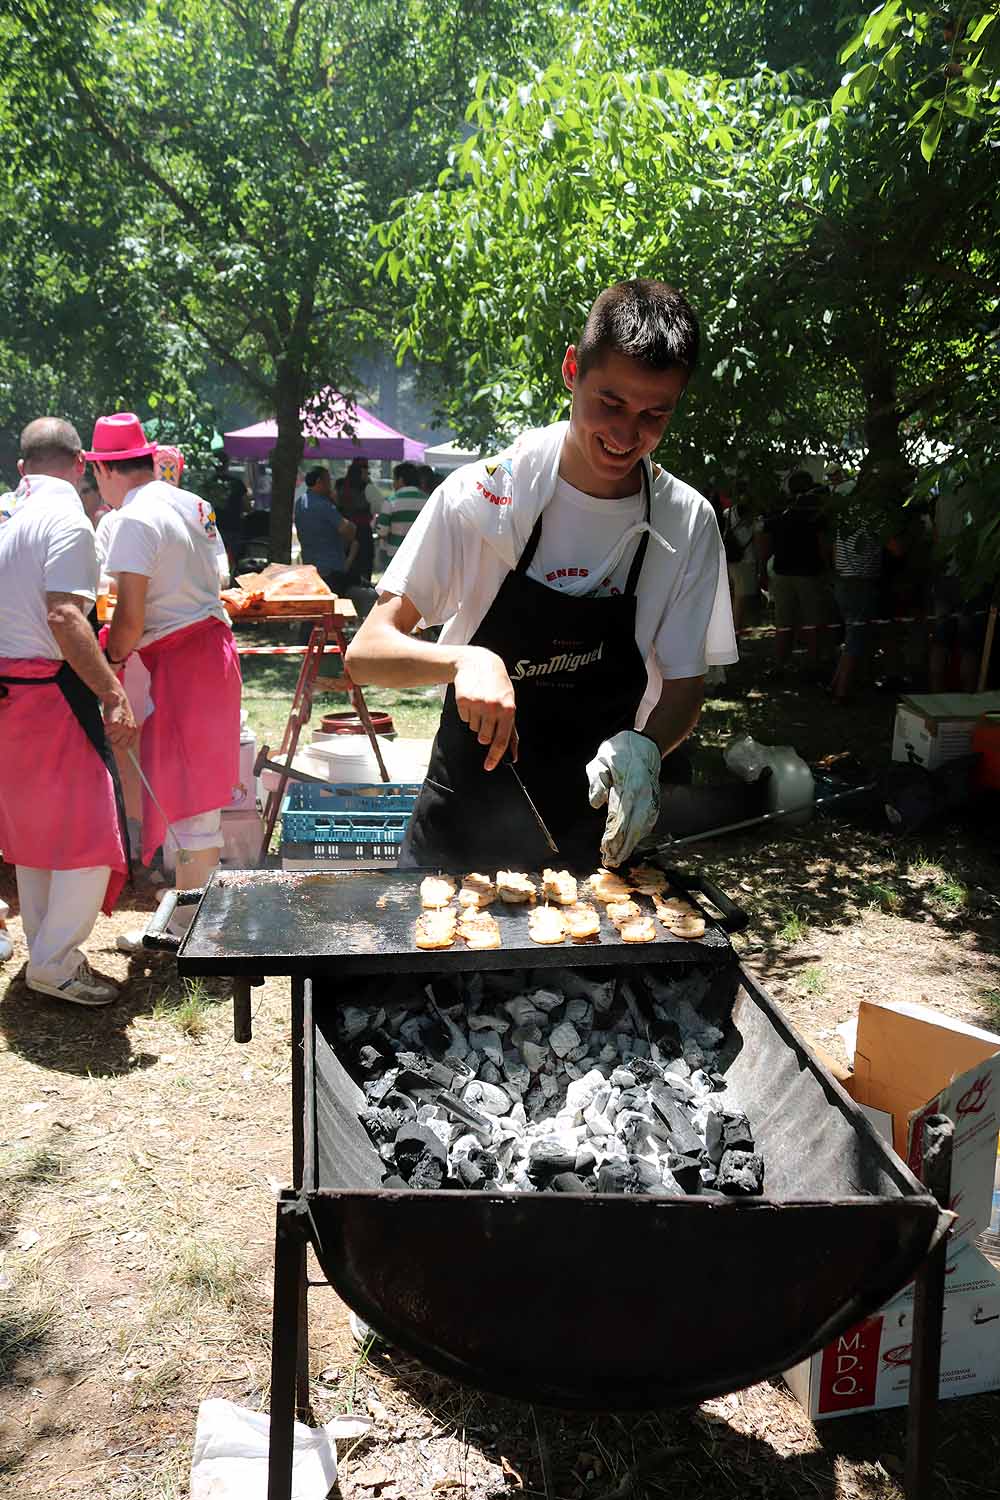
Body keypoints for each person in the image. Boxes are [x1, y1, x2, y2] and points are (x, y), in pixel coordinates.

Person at [346, 278, 737, 869]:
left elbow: (684, 687)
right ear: (572, 370)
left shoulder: (686, 524)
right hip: (459, 832)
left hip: (592, 837)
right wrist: (465, 659)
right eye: (610, 403)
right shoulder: (481, 496)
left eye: (655, 413)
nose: (627, 435)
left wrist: (647, 749)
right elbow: (367, 652)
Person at [87, 412, 243, 949]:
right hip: (211, 652)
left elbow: (128, 619)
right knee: (195, 795)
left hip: (185, 663)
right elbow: (218, 578)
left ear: (107, 471)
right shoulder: (193, 502)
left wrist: (107, 658)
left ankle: (192, 929)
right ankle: (192, 916)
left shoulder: (132, 519)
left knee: (193, 802)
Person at [0, 418, 136, 1005]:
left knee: (34, 831)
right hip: (51, 692)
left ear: (21, 465)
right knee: (86, 831)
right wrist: (112, 692)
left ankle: (45, 952)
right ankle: (54, 963)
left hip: (11, 692)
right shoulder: (67, 521)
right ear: (81, 463)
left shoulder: (7, 515)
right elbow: (65, 617)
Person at [758, 471, 833, 675]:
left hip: (782, 574)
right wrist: (829, 571)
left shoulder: (779, 512)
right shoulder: (817, 514)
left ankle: (780, 664)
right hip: (809, 574)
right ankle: (811, 664)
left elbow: (764, 545)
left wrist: (762, 571)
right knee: (812, 622)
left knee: (784, 623)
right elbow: (823, 545)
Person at [293, 467, 357, 593]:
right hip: (330, 569)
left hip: (310, 565)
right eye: (328, 481)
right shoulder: (324, 505)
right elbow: (347, 531)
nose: (330, 485)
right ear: (319, 482)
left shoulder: (300, 502)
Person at [375, 461, 427, 573]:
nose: (393, 484)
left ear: (401, 480)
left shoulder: (391, 501)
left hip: (396, 556)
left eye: (394, 480)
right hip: (420, 556)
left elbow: (382, 531)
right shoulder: (428, 501)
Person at [341, 458, 381, 586]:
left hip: (344, 531)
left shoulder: (340, 486)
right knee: (364, 563)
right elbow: (379, 506)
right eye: (366, 472)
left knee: (347, 563)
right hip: (362, 531)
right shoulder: (368, 488)